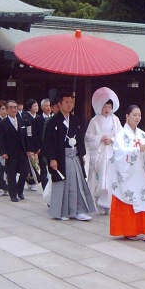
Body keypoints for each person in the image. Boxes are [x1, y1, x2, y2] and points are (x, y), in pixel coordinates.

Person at [109, 105, 145, 241]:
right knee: (129, 198)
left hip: (140, 173)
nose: (137, 118)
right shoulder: (121, 135)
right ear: (127, 116)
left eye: (139, 115)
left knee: (144, 198)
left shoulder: (142, 134)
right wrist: (138, 149)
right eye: (134, 115)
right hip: (127, 174)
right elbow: (120, 153)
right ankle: (130, 230)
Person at [43, 92, 95, 221]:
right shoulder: (53, 122)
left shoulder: (75, 120)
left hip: (74, 155)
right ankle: (60, 212)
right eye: (66, 102)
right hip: (61, 156)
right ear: (59, 104)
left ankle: (78, 211)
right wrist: (52, 159)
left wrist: (82, 154)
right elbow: (48, 142)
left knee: (77, 183)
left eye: (71, 102)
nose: (69, 104)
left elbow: (81, 138)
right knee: (62, 184)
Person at [84, 87, 122, 215]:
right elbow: (88, 137)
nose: (107, 109)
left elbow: (121, 136)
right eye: (105, 106)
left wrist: (112, 139)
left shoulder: (115, 120)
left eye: (109, 106)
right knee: (99, 178)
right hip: (99, 153)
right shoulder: (94, 121)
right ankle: (98, 201)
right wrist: (100, 138)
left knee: (111, 177)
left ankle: (110, 203)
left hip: (111, 152)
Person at [0, 100, 31, 202]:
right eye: (11, 107)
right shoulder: (2, 123)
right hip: (10, 152)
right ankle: (13, 194)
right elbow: (0, 139)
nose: (14, 109)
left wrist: (29, 150)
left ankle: (19, 190)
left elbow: (27, 137)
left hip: (22, 151)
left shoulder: (22, 121)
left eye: (15, 107)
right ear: (7, 110)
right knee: (11, 174)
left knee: (25, 171)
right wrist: (3, 152)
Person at [21, 98, 42, 191]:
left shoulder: (38, 117)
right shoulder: (25, 117)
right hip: (28, 143)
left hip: (36, 143)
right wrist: (28, 148)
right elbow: (27, 134)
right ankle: (31, 181)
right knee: (30, 164)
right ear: (30, 107)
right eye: (34, 106)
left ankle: (33, 181)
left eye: (37, 105)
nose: (36, 107)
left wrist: (39, 146)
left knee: (35, 163)